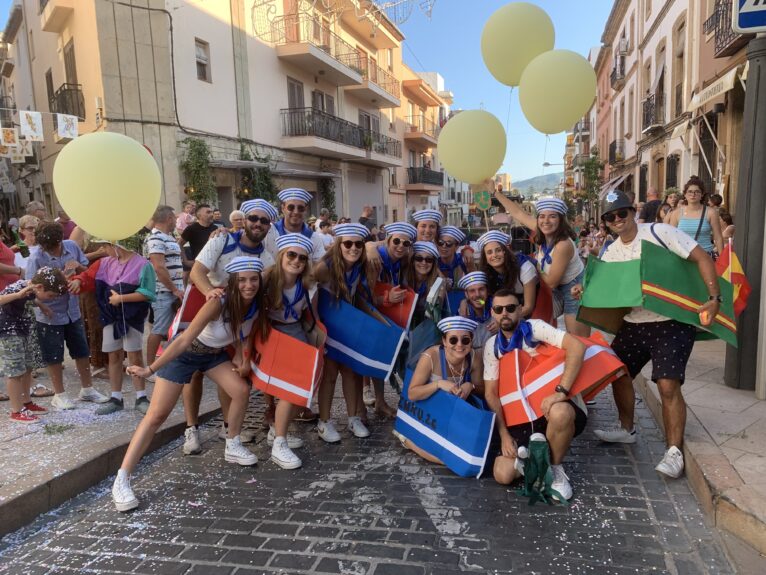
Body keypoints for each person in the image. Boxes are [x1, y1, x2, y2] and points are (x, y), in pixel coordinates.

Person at [574, 189, 720, 479]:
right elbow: (610, 289)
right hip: (635, 323)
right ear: (605, 222)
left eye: (622, 213)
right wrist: (585, 291)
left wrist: (715, 299)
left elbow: (703, 258)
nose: (617, 220)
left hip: (672, 321)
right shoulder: (612, 251)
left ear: (633, 212)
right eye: (610, 217)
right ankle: (627, 429)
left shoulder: (661, 232)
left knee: (667, 386)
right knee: (618, 372)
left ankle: (674, 451)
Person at [113, 257, 265, 511]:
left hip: (213, 356)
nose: (248, 285)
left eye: (253, 279)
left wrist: (242, 356)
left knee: (240, 390)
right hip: (186, 353)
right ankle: (122, 478)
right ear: (232, 282)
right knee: (156, 416)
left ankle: (233, 443)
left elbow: (239, 333)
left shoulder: (255, 305)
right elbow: (183, 341)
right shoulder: (219, 302)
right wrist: (151, 368)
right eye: (242, 280)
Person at [184, 198, 277, 451]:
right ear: (244, 220)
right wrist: (211, 294)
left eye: (264, 221)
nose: (258, 224)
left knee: (230, 372)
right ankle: (191, 429)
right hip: (206, 306)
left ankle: (228, 427)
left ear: (269, 226)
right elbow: (197, 272)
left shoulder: (268, 260)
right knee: (193, 371)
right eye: (253, 219)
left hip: (236, 322)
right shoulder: (221, 240)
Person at [483, 289, 587, 499]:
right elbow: (491, 394)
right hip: (520, 418)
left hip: (549, 408)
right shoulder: (491, 346)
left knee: (561, 413)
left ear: (520, 310)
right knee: (502, 474)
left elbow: (577, 346)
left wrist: (561, 392)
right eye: (498, 309)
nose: (505, 313)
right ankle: (537, 464)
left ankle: (555, 470)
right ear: (492, 313)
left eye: (511, 308)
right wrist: (504, 435)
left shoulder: (536, 328)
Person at [69, 235, 156, 415]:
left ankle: (141, 396)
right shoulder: (104, 263)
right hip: (110, 317)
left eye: (105, 247)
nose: (103, 251)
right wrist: (78, 280)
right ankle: (116, 398)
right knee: (113, 356)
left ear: (116, 245)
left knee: (134, 356)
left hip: (132, 318)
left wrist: (121, 298)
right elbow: (88, 276)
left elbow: (148, 293)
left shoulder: (143, 265)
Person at [25, 222, 109, 409]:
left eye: (55, 247)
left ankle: (87, 389)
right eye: (49, 249)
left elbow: (87, 273)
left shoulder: (71, 246)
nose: (53, 251)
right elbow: (30, 290)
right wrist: (56, 286)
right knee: (54, 356)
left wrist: (78, 267)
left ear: (60, 240)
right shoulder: (35, 258)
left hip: (72, 310)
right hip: (49, 314)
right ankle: (59, 394)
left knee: (81, 350)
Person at [494, 192, 588, 336]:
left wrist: (536, 265)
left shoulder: (563, 245)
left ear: (561, 220)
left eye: (552, 216)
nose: (546, 221)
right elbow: (517, 212)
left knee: (578, 338)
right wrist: (495, 193)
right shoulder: (542, 231)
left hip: (574, 288)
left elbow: (551, 282)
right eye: (542, 216)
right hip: (556, 289)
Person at [262, 233, 320, 468]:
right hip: (269, 333)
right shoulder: (266, 279)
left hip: (295, 331)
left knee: (302, 387)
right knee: (283, 387)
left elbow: (311, 316)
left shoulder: (307, 283)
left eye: (302, 258)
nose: (296, 261)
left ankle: (278, 430)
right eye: (292, 255)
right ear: (281, 256)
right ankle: (279, 442)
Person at [314, 223, 375, 443]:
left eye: (358, 244)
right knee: (329, 376)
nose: (353, 248)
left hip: (348, 326)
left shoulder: (359, 267)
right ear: (339, 246)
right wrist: (315, 322)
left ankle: (353, 417)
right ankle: (324, 421)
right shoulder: (325, 267)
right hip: (329, 327)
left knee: (350, 373)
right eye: (348, 244)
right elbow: (308, 288)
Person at [393, 316, 484, 464]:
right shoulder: (430, 356)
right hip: (428, 415)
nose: (459, 345)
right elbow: (412, 393)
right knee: (447, 459)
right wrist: (438, 384)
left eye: (465, 340)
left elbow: (482, 390)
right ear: (444, 341)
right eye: (453, 340)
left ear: (471, 341)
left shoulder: (474, 357)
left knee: (468, 453)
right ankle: (408, 441)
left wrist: (471, 386)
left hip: (452, 415)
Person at [0, 267, 68, 422]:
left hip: (23, 329)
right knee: (15, 372)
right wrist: (17, 295)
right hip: (8, 332)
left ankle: (27, 403)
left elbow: (31, 298)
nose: (50, 299)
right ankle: (16, 411)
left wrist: (42, 306)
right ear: (39, 287)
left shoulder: (32, 289)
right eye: (50, 296)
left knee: (27, 368)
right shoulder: (18, 287)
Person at [145, 206, 186, 379]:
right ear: (169, 218)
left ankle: (169, 363)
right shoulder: (155, 238)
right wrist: (174, 289)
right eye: (175, 218)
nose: (177, 221)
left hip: (174, 291)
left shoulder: (168, 237)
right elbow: (159, 267)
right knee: (159, 329)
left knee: (173, 330)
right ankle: (150, 368)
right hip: (164, 292)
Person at [477, 230, 537, 317]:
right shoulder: (486, 274)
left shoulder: (524, 268)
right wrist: (467, 302)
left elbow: (528, 307)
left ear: (505, 251)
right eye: (489, 252)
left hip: (532, 314)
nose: (494, 255)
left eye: (498, 250)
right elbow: (484, 302)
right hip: (505, 315)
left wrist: (502, 320)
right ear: (485, 257)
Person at [265, 188, 325, 265]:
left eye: (300, 208)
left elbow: (318, 267)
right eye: (291, 207)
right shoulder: (269, 232)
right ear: (283, 208)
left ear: (305, 209)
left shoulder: (314, 238)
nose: (296, 212)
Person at [667, 176, 723, 258]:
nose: (693, 194)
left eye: (697, 192)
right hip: (683, 257)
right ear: (685, 194)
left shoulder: (711, 212)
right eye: (690, 191)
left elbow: (718, 237)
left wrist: (723, 261)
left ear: (702, 194)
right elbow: (671, 238)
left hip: (705, 256)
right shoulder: (677, 213)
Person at [406, 242, 444, 327]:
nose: (424, 263)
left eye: (429, 260)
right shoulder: (402, 279)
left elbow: (435, 317)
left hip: (425, 329)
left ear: (433, 264)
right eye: (419, 258)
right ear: (413, 261)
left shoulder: (437, 284)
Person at [457, 271, 497, 351]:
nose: (477, 294)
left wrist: (503, 325)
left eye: (481, 289)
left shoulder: (499, 308)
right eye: (472, 291)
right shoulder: (461, 314)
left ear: (487, 291)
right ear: (466, 294)